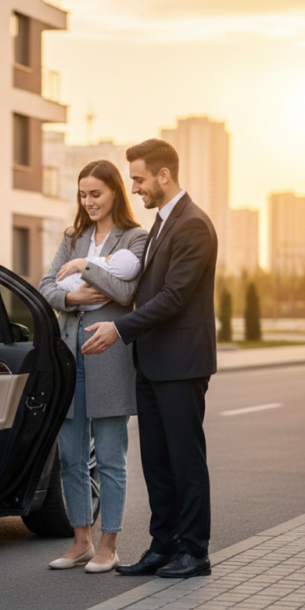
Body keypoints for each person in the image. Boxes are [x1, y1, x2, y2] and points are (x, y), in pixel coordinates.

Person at [81, 139, 218, 579]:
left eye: (138, 179)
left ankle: (194, 551)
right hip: (153, 361)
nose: (134, 187)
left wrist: (119, 328)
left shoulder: (193, 224)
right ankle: (164, 546)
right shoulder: (161, 223)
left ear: (163, 175)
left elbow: (175, 297)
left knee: (185, 460)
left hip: (181, 363)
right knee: (157, 461)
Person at [39, 160, 148, 573]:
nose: (88, 201)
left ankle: (109, 545)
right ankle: (81, 541)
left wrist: (87, 268)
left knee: (109, 457)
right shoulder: (74, 236)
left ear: (115, 193)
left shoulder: (135, 238)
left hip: (110, 359)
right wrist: (72, 300)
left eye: (96, 193)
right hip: (72, 358)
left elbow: (126, 289)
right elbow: (47, 285)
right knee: (69, 457)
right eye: (83, 194)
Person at [56, 250, 141, 311]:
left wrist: (83, 265)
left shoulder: (137, 236)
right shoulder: (71, 235)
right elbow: (46, 287)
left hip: (104, 329)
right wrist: (71, 298)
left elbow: (127, 294)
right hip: (67, 328)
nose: (111, 255)